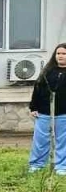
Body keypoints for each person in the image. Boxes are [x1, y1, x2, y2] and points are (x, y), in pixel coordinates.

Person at [29, 43, 66, 175]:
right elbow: (37, 88)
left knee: (63, 141)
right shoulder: (48, 71)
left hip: (63, 113)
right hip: (44, 112)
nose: (60, 56)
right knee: (40, 140)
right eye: (58, 53)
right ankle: (37, 164)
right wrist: (33, 107)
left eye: (64, 54)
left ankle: (62, 166)